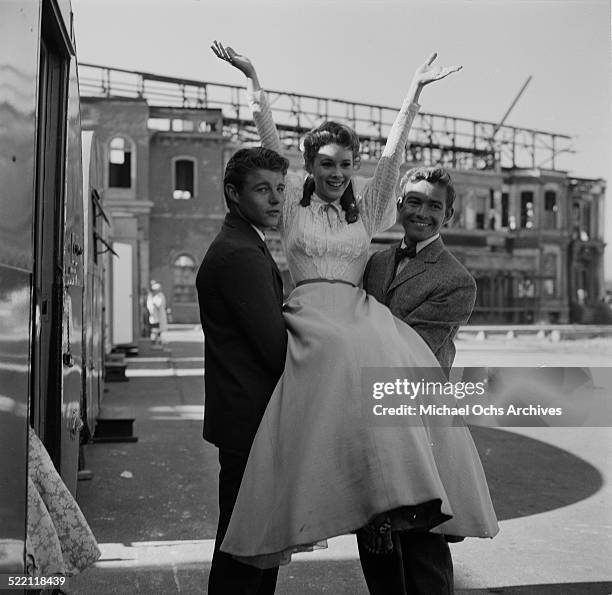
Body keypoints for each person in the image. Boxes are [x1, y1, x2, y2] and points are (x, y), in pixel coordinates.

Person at [211, 41, 498, 577]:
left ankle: (413, 490)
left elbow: (392, 158)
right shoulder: (292, 207)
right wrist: (254, 80)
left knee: (398, 366)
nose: (337, 172)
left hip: (360, 314)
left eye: (345, 163)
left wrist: (413, 92)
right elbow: (268, 140)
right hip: (312, 316)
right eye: (326, 163)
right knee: (341, 360)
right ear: (309, 166)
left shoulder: (365, 213)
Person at [358, 165, 478, 593]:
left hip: (420, 426)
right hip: (371, 417)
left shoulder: (456, 280)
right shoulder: (373, 263)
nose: (422, 212)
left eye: (434, 205)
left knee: (422, 546)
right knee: (376, 544)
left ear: (448, 215)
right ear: (399, 205)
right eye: (414, 201)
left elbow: (414, 350)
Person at [196, 147, 289, 594]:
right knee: (246, 551)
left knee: (248, 544)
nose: (275, 200)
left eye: (280, 189)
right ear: (233, 193)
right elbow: (275, 348)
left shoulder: (242, 243)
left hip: (243, 419)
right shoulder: (240, 254)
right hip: (251, 424)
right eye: (262, 189)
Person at [146, 281, 167, 346]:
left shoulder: (160, 295)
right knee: (154, 329)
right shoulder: (150, 296)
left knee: (159, 329)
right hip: (153, 316)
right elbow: (149, 305)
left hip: (159, 315)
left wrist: (155, 304)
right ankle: (154, 342)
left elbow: (160, 304)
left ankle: (158, 341)